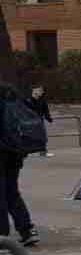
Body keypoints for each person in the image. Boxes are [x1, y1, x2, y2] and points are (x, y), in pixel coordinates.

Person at [0, 83, 39, 246]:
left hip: (2, 148)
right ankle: (26, 229)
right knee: (11, 191)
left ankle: (2, 235)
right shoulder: (11, 93)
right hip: (15, 150)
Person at [29, 86, 53, 157]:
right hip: (30, 121)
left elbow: (45, 110)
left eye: (42, 91)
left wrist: (49, 118)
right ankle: (29, 151)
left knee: (42, 136)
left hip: (39, 121)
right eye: (39, 90)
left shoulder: (42, 100)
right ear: (34, 90)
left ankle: (43, 152)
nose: (41, 92)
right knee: (30, 136)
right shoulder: (28, 100)